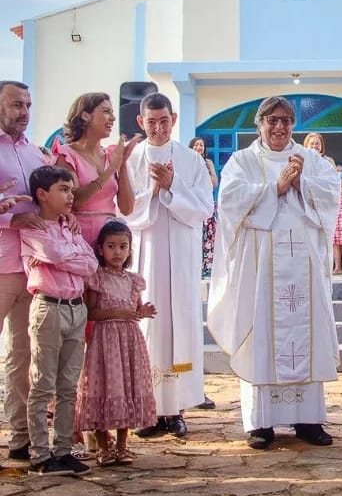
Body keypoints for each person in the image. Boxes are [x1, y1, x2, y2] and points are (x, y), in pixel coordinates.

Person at [207, 96, 340, 448]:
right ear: (259, 123)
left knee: (305, 333)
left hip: (304, 268)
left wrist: (302, 184)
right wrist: (275, 188)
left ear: (293, 124)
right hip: (261, 269)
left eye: (286, 120)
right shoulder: (243, 161)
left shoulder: (311, 160)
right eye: (272, 120)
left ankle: (308, 420)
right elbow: (230, 200)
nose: (279, 127)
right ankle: (260, 423)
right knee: (261, 333)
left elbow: (332, 194)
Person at [124, 92, 213, 439]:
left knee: (180, 325)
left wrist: (173, 184)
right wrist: (153, 187)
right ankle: (148, 410)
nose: (158, 128)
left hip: (181, 250)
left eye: (164, 121)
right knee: (149, 328)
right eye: (151, 122)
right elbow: (124, 209)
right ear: (140, 123)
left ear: (173, 119)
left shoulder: (191, 160)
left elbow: (205, 207)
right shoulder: (131, 160)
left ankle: (175, 411)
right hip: (145, 253)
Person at [21, 165, 98, 476]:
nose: (70, 196)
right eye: (63, 190)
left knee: (68, 385)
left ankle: (63, 449)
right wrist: (68, 257)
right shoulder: (32, 228)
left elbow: (91, 264)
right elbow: (51, 253)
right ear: (42, 194)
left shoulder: (71, 228)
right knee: (43, 384)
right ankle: (40, 454)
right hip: (48, 309)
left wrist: (67, 256)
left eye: (71, 189)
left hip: (76, 308)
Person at [75, 220, 157, 466]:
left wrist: (143, 310)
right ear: (100, 249)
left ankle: (122, 445)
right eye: (111, 246)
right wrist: (119, 314)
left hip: (130, 342)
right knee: (102, 387)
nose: (117, 252)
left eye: (123, 246)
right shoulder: (96, 278)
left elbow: (135, 308)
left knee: (127, 387)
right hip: (105, 341)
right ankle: (103, 446)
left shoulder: (133, 281)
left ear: (130, 250)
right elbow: (91, 312)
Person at [0, 81, 47, 462]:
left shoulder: (35, 153)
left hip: (30, 269)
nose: (24, 111)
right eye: (17, 104)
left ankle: (20, 438)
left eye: (28, 104)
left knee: (23, 354)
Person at [54, 93, 139, 246]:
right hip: (79, 238)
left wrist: (123, 163)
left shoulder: (112, 156)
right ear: (85, 116)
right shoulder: (66, 154)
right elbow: (75, 201)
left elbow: (127, 209)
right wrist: (110, 170)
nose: (113, 118)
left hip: (110, 244)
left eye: (112, 113)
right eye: (106, 111)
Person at [188, 137, 217, 279]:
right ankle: (193, 266)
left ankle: (206, 269)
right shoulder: (187, 161)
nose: (199, 147)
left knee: (207, 238)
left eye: (201, 145)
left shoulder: (208, 163)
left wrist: (203, 175)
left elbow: (214, 182)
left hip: (206, 204)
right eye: (196, 145)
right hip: (193, 204)